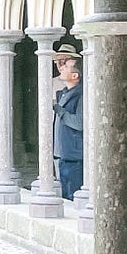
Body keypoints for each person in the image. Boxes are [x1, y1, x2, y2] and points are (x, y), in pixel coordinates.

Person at [52, 48, 84, 202]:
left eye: (66, 64)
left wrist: (60, 111)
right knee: (66, 195)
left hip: (74, 155)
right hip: (62, 152)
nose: (61, 66)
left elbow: (79, 123)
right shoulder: (63, 92)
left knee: (73, 197)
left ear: (75, 75)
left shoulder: (81, 94)